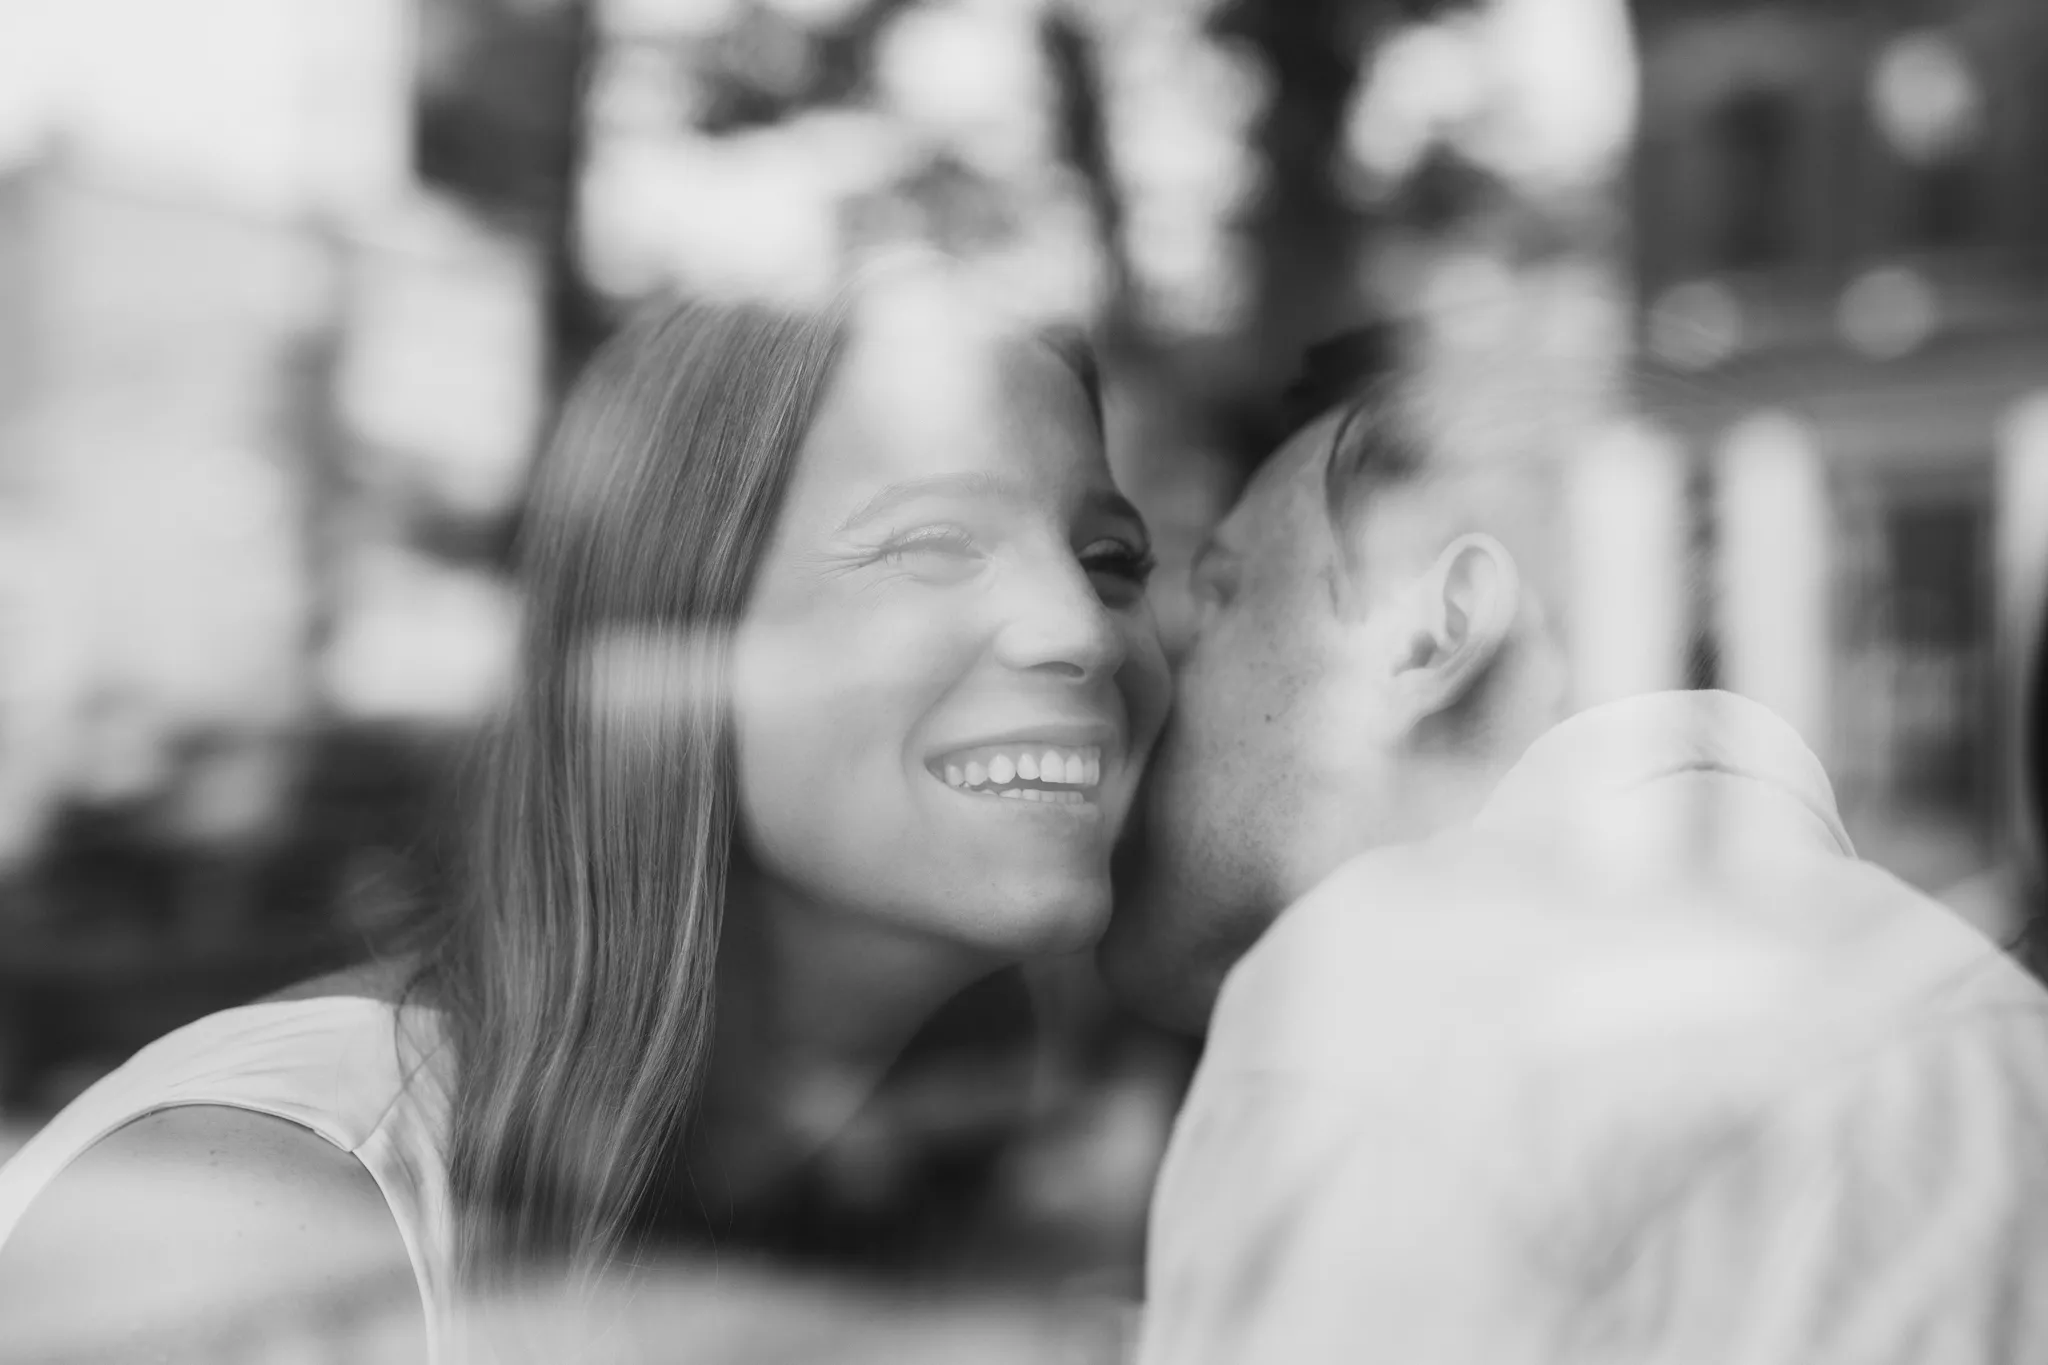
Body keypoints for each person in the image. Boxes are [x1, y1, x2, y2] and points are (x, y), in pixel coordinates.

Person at [0, 256, 1171, 1359]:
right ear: (678, 637)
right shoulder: (254, 1200)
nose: (1080, 628)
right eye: (934, 547)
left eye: (1110, 560)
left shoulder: (995, 1191)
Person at [1100, 328, 2048, 1363]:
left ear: (1428, 626)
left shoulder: (1377, 1004)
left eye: (1223, 592)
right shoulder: (1996, 1032)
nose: (1163, 667)